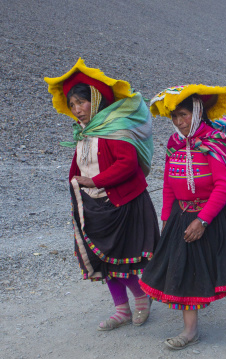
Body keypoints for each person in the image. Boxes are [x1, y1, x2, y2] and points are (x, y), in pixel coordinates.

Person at [140, 85, 226, 350]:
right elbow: (169, 183)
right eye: (175, 117)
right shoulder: (174, 144)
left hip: (220, 211)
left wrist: (203, 220)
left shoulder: (212, 141)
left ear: (199, 112)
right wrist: (167, 217)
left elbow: (224, 186)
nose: (179, 122)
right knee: (184, 267)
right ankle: (190, 331)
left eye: (184, 115)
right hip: (183, 213)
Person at [44, 58, 159, 331]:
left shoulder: (114, 128)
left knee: (120, 257)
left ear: (94, 100)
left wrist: (94, 180)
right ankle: (121, 309)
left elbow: (128, 164)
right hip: (93, 204)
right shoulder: (86, 132)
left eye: (81, 103)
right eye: (72, 105)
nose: (77, 110)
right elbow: (79, 164)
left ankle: (141, 299)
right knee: (101, 258)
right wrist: (75, 182)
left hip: (122, 202)